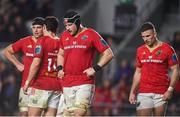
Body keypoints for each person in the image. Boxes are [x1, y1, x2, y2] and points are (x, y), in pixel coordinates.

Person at [57, 11, 114, 116]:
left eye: (70, 25)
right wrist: (60, 68)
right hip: (67, 81)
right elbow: (60, 54)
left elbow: (109, 54)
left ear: (78, 23)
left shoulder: (91, 34)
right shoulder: (64, 36)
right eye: (65, 25)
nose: (67, 28)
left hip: (84, 82)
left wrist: (95, 68)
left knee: (79, 113)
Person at [129, 22, 180, 116]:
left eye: (148, 36)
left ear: (155, 34)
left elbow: (176, 70)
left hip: (161, 93)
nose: (145, 39)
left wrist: (170, 90)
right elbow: (138, 72)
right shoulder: (140, 50)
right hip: (144, 92)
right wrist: (132, 91)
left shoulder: (168, 49)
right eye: (143, 37)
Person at [3, 17, 44, 116]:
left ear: (44, 28)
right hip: (25, 85)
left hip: (41, 86)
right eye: (34, 27)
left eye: (39, 27)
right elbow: (6, 51)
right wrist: (18, 64)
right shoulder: (25, 41)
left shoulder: (47, 42)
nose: (36, 30)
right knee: (24, 114)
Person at [23, 16, 62, 116]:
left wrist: (27, 82)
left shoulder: (42, 41)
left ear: (44, 27)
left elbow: (36, 64)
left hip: (41, 85)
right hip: (56, 86)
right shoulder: (61, 42)